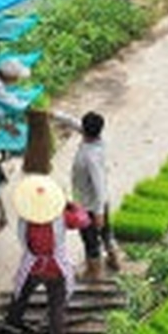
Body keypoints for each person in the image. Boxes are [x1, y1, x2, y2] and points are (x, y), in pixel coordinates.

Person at [4, 173, 71, 334]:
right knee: (56, 306)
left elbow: (24, 241)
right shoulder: (61, 217)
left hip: (33, 266)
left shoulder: (26, 220)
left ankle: (10, 329)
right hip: (56, 268)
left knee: (20, 297)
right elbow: (83, 220)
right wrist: (72, 206)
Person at [61, 110, 118, 278]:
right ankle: (114, 260)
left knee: (90, 240)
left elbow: (99, 185)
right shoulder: (97, 141)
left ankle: (93, 272)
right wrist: (55, 115)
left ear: (85, 130)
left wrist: (98, 213)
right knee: (106, 233)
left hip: (90, 206)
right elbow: (73, 122)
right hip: (100, 201)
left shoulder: (90, 157)